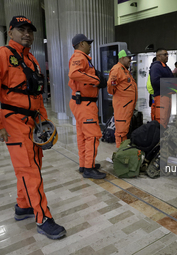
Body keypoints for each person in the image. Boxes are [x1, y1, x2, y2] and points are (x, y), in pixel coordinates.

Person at [0, 15, 66, 239]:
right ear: (10, 32)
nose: (27, 34)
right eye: (21, 29)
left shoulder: (32, 61)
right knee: (30, 170)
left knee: (32, 165)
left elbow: (37, 96)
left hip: (33, 122)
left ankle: (23, 205)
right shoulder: (0, 55)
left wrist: (44, 123)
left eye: (30, 30)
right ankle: (43, 217)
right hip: (13, 122)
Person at [68, 33, 106, 179]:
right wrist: (95, 80)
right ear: (81, 44)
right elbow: (74, 73)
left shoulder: (80, 58)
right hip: (85, 103)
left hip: (80, 102)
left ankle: (84, 164)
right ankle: (89, 168)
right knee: (93, 136)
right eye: (88, 43)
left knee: (82, 135)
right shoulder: (80, 57)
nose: (90, 46)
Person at [107, 49, 137, 148]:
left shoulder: (124, 70)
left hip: (126, 107)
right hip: (122, 107)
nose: (130, 59)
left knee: (124, 131)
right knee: (120, 132)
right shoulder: (117, 69)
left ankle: (123, 152)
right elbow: (110, 86)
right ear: (122, 58)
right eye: (128, 57)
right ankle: (120, 155)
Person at [149, 48, 174, 128]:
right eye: (165, 54)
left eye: (167, 54)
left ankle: (163, 138)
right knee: (161, 121)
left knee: (165, 120)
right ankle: (159, 139)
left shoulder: (165, 67)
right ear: (158, 56)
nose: (167, 56)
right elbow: (155, 81)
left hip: (166, 97)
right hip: (161, 97)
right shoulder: (156, 67)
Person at [146, 57, 156, 121]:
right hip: (154, 92)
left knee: (154, 108)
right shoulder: (155, 69)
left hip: (153, 92)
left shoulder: (152, 68)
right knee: (155, 108)